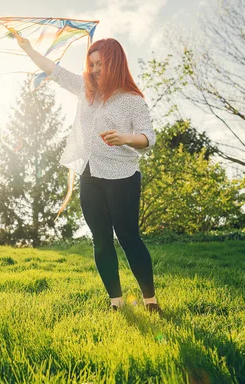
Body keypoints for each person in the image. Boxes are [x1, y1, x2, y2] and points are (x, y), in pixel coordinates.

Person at [14, 34, 162, 314]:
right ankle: (116, 302)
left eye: (100, 64)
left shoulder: (132, 100)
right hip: (90, 175)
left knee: (129, 237)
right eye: (91, 64)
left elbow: (148, 138)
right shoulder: (85, 90)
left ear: (115, 63)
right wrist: (29, 49)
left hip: (122, 176)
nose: (94, 70)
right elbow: (54, 71)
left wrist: (125, 138)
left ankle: (150, 300)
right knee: (101, 239)